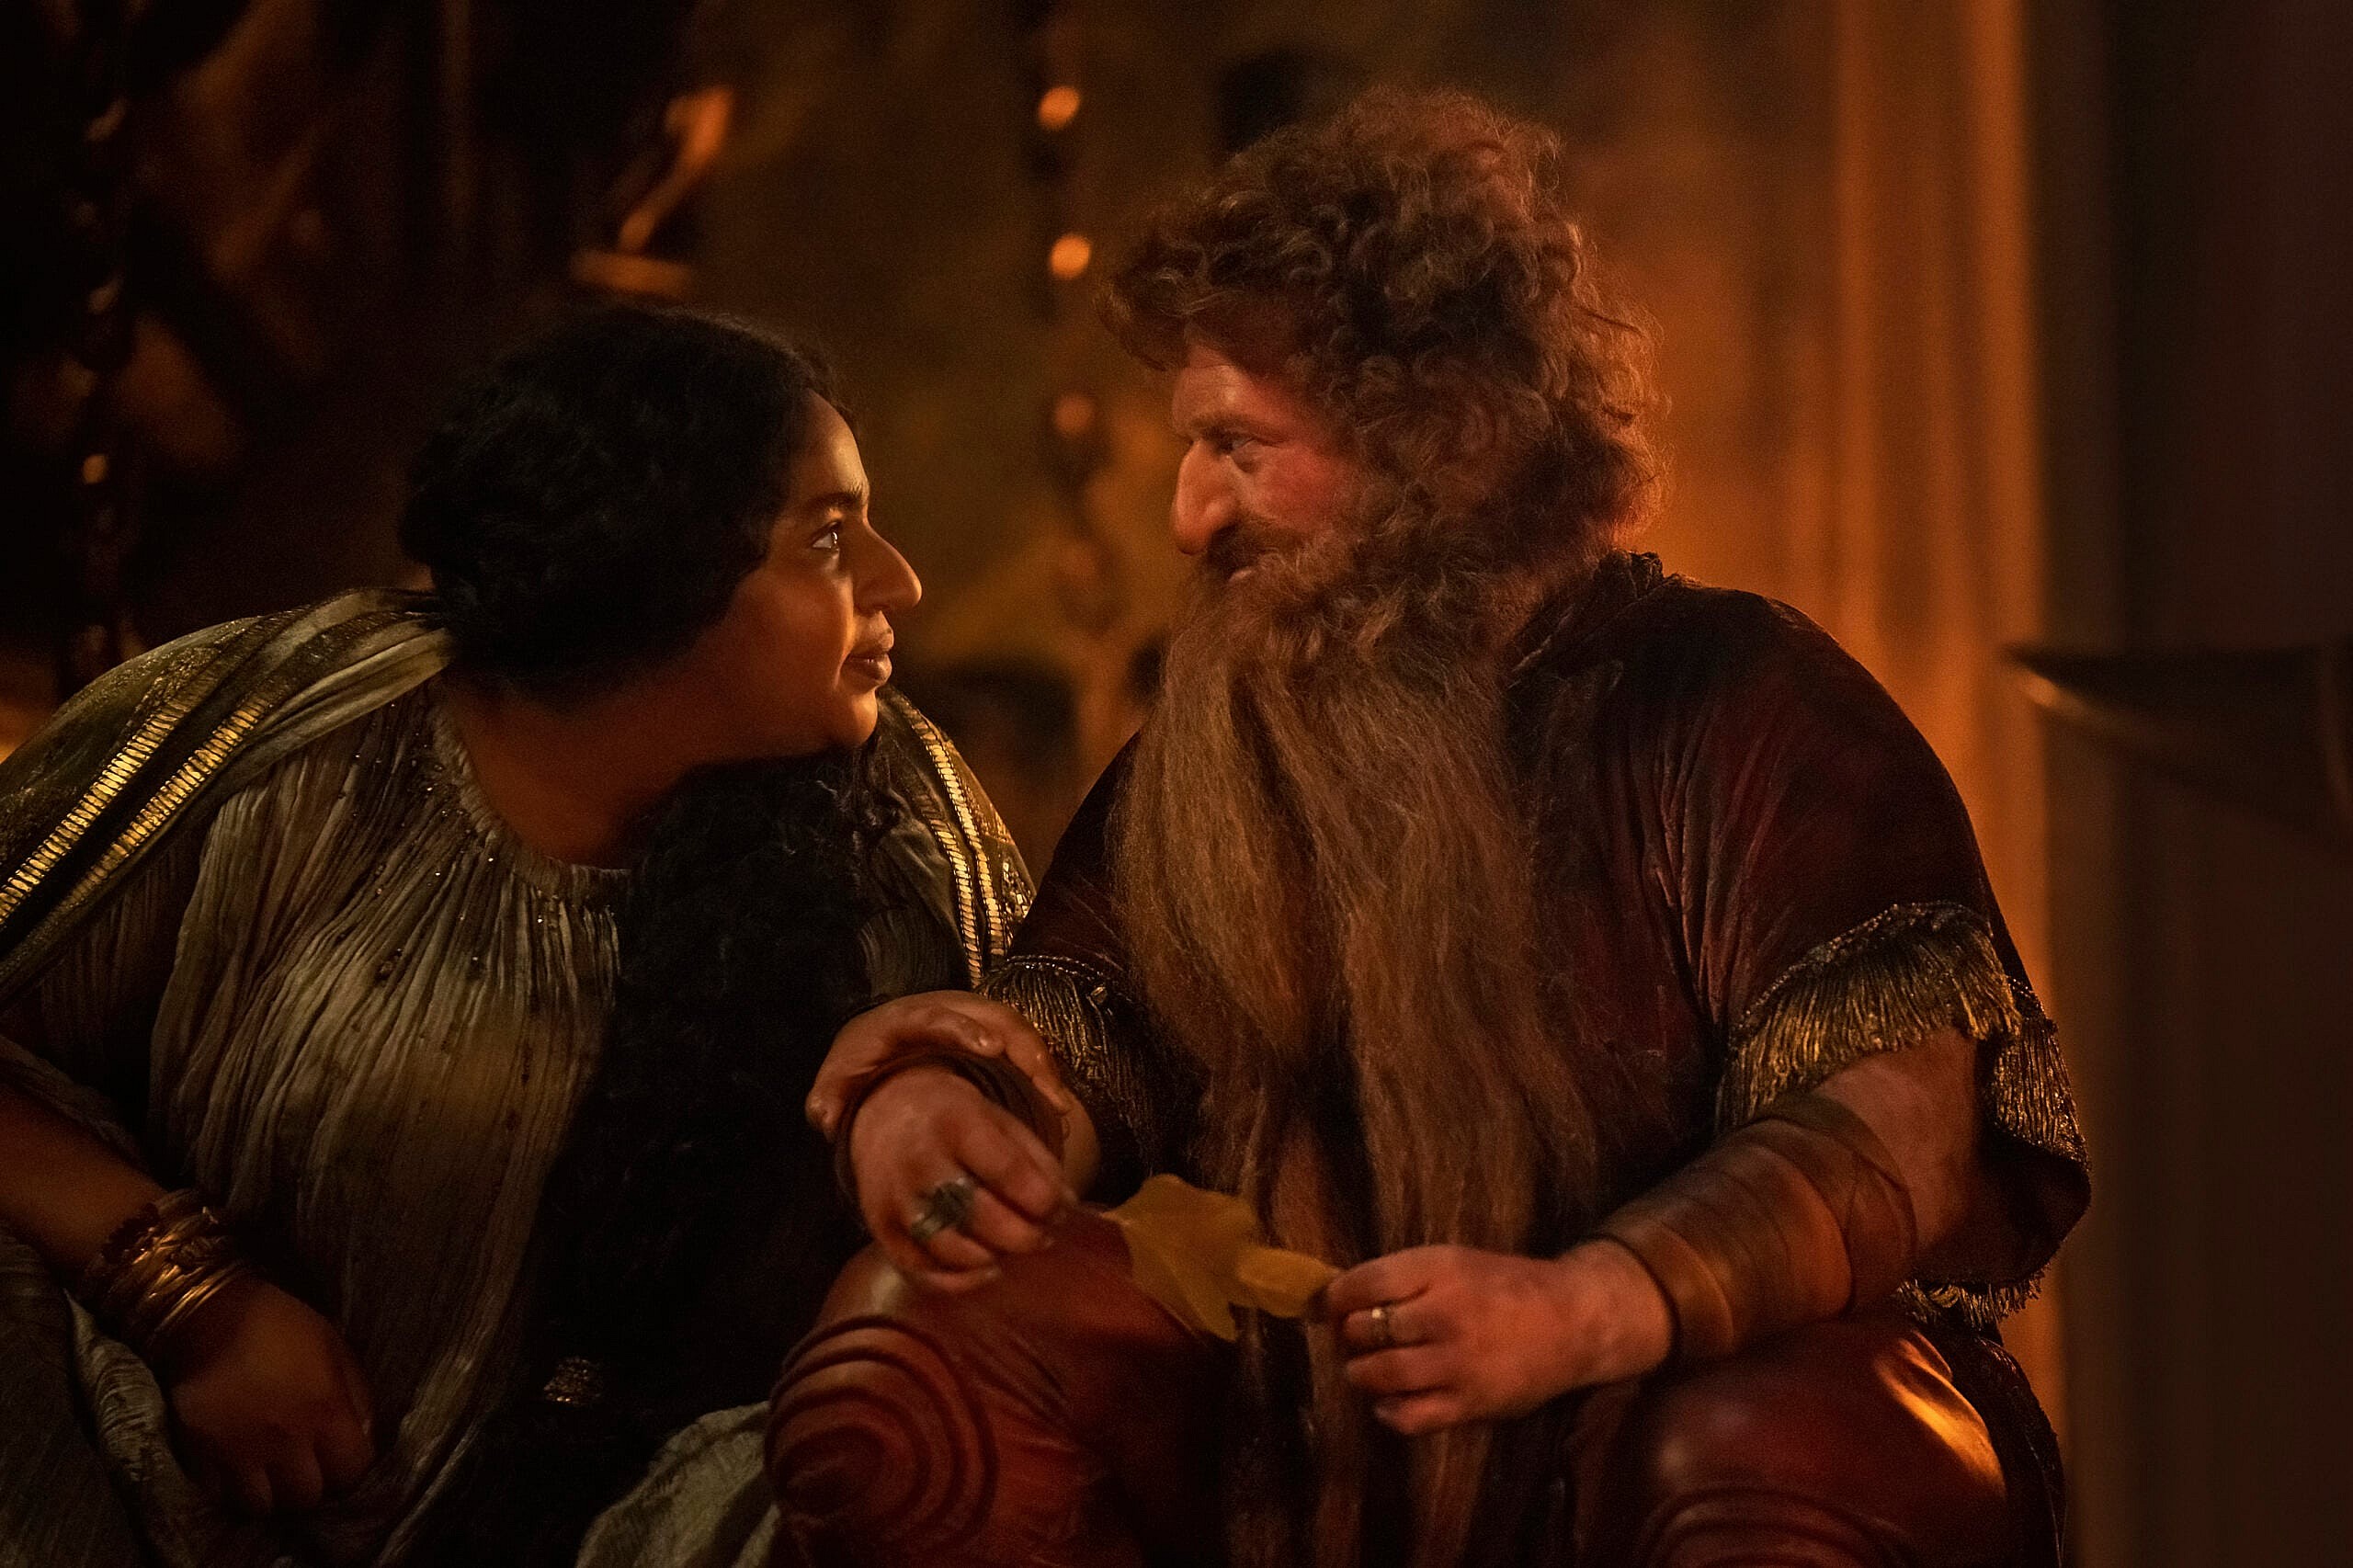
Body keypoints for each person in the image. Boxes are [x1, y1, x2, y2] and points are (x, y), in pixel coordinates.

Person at [789, 89, 2090, 1568]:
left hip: (1655, 1433)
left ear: (1447, 442)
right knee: (910, 1366)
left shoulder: (1739, 702)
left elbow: (1894, 1126)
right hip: (1303, 1454)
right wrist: (945, 1116)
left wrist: (1593, 1305)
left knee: (1773, 1455)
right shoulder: (1209, 763)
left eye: (1239, 445)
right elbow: (1076, 1048)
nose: (1191, 517)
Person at [0, 305, 1033, 1568]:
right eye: (827, 537)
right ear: (659, 565)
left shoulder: (898, 839)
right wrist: (189, 1302)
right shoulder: (302, 739)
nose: (899, 580)